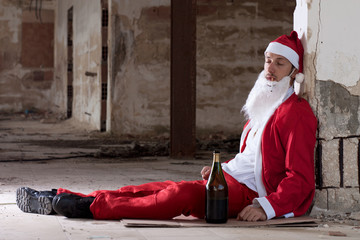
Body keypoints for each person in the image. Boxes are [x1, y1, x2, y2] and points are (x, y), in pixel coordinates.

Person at [16, 31, 317, 222]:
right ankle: (59, 195)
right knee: (159, 188)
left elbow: (299, 178)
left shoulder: (296, 113)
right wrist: (221, 169)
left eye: (279, 63)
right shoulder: (263, 108)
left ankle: (82, 208)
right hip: (230, 182)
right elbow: (255, 159)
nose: (269, 70)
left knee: (179, 197)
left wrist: (266, 207)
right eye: (267, 61)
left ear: (294, 72)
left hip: (250, 194)